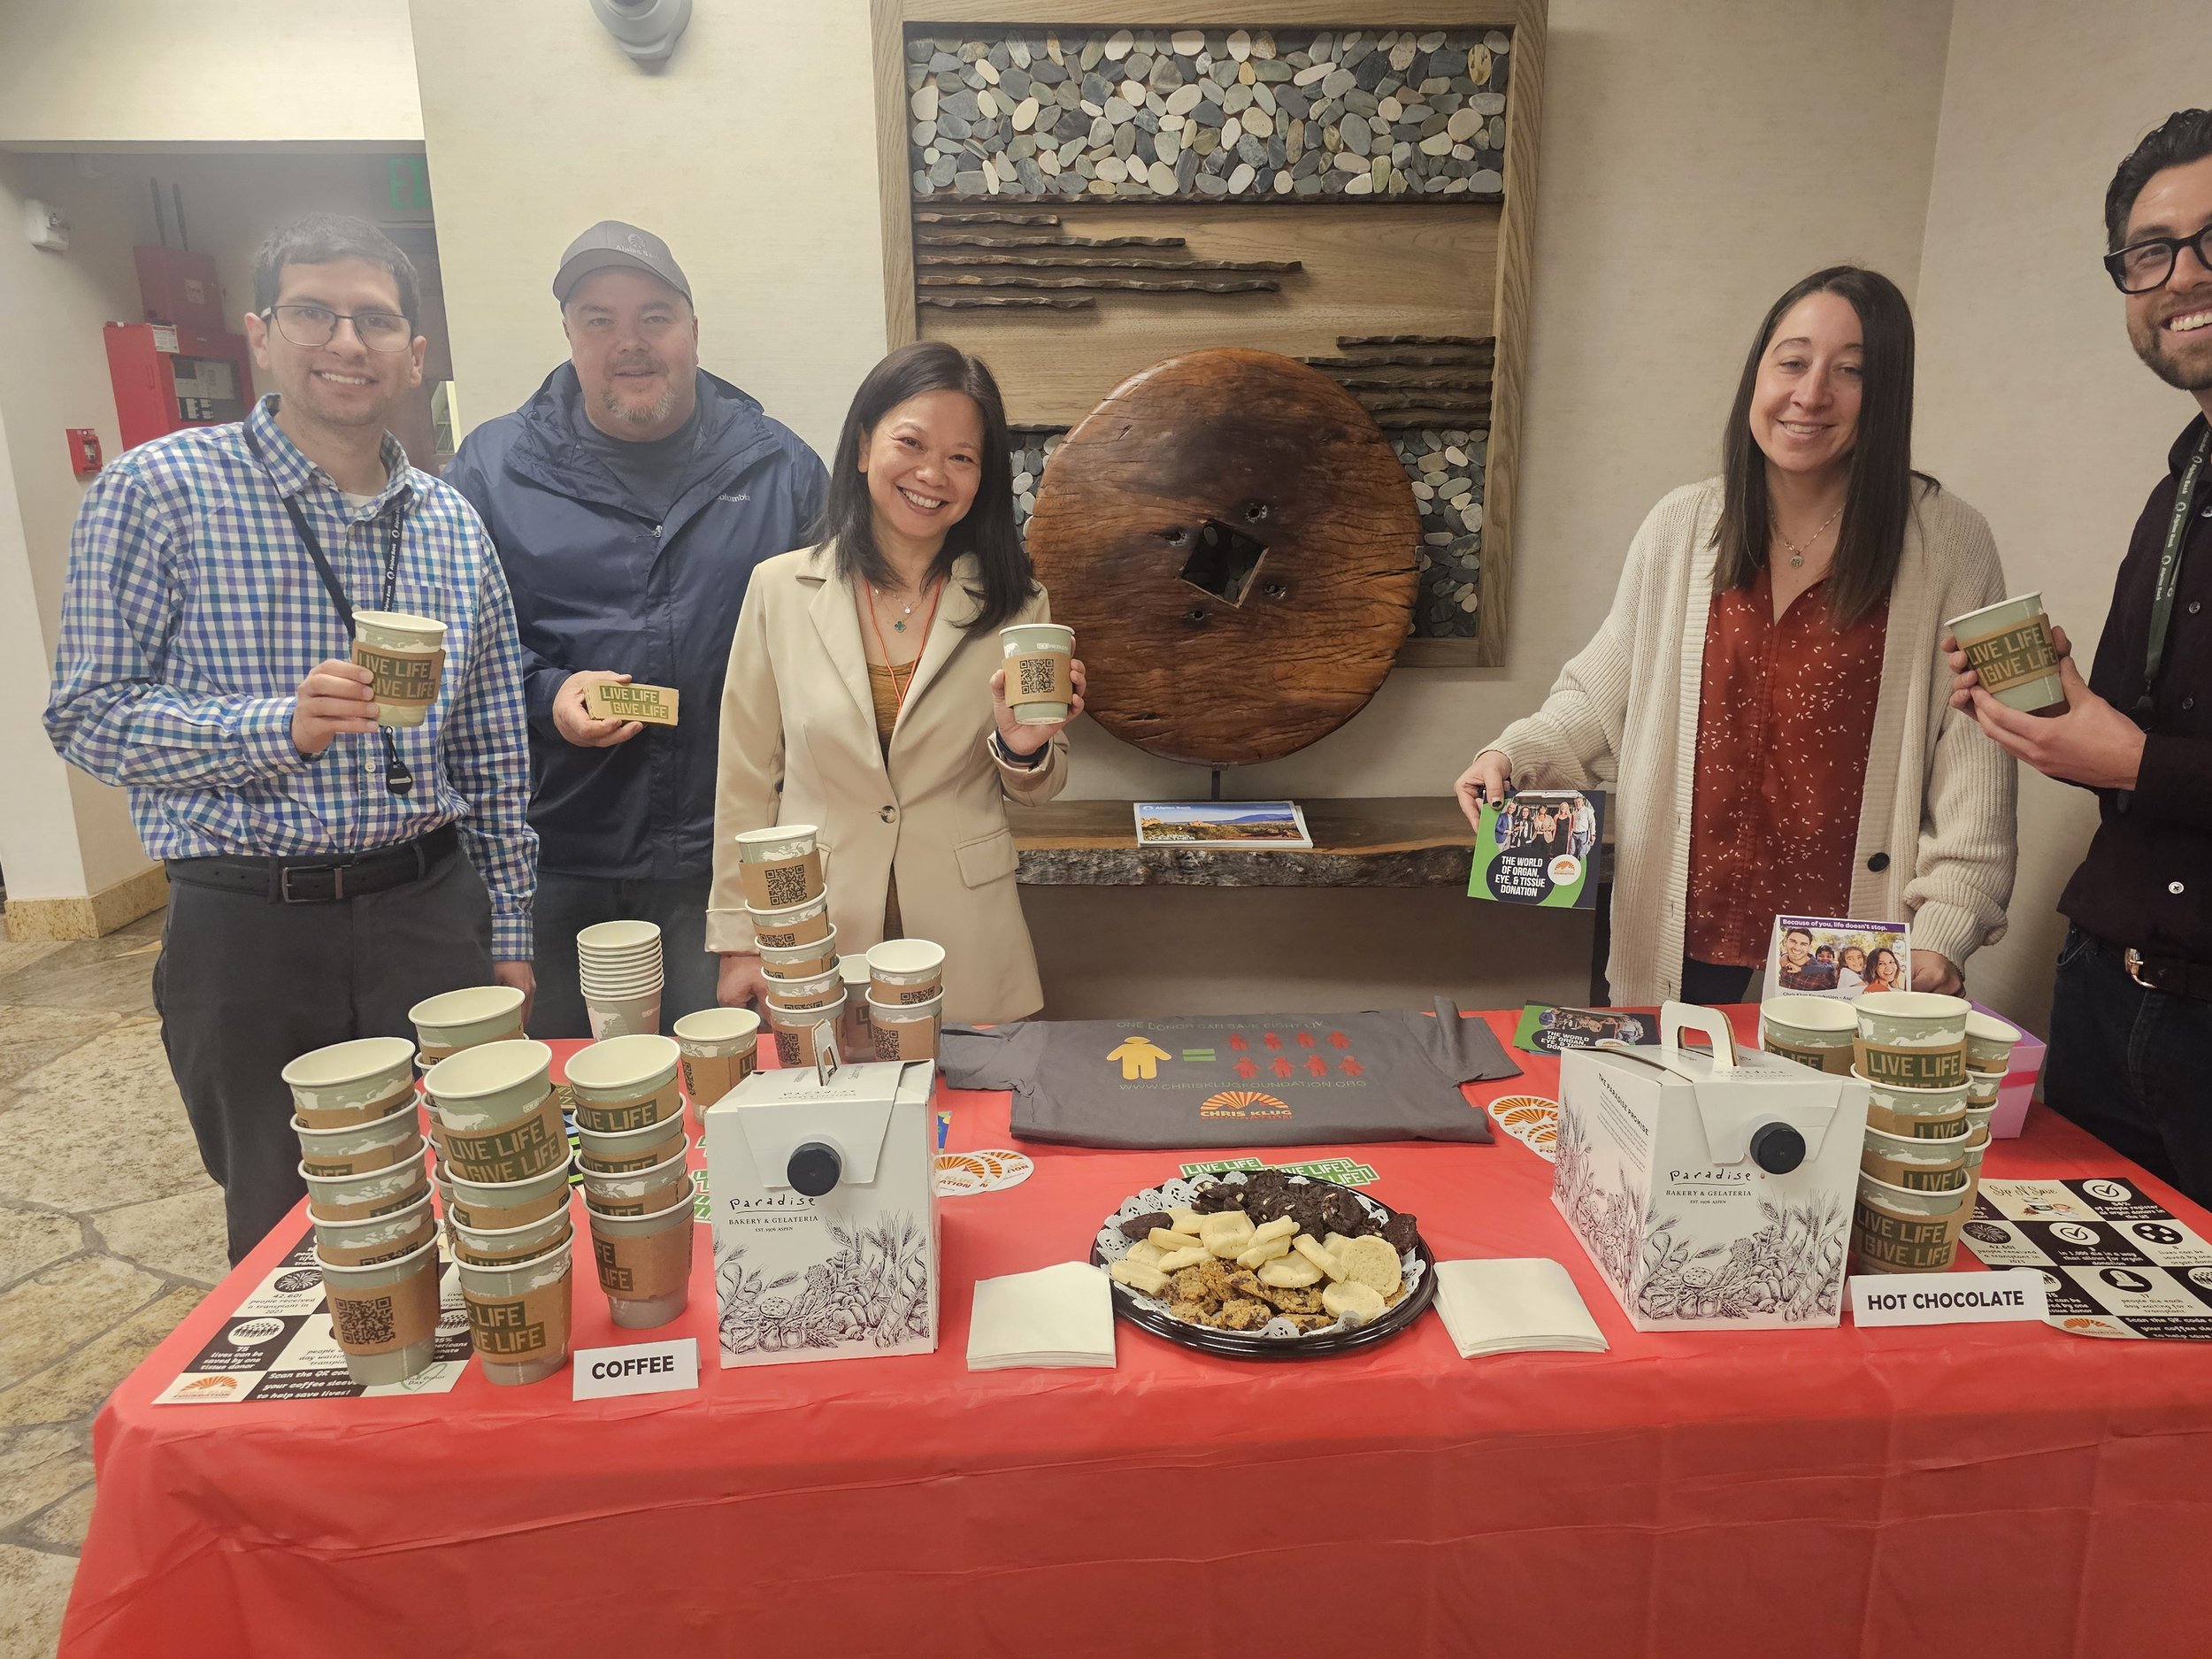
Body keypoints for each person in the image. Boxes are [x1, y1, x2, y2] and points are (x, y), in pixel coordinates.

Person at [44, 213, 537, 1263]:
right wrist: (277, 726)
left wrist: (509, 930)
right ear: (262, 332)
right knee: (283, 1226)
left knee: (468, 1197)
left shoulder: (449, 522)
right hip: (248, 929)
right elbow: (86, 716)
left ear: (415, 353)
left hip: (429, 907)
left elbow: (494, 753)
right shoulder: (158, 492)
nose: (346, 343)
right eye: (314, 312)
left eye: (374, 320)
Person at [1455, 265, 2017, 1006]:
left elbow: (1977, 764)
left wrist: (1944, 930)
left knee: (1809, 1123)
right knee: (1656, 1106)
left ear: (1887, 394)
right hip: (1681, 912)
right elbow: (1601, 697)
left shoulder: (1950, 543)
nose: (1810, 394)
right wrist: (1513, 754)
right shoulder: (1681, 527)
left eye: (1850, 371)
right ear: (1757, 373)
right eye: (1791, 361)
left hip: (1850, 947)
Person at [445, 222, 826, 1038]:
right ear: (569, 336)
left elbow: (829, 653)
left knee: (721, 1104)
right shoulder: (490, 468)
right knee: (568, 1106)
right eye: (599, 319)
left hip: (720, 868)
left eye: (654, 316)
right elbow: (452, 650)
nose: (630, 343)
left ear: (693, 329)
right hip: (549, 861)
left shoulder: (781, 470)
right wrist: (547, 696)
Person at [1946, 111, 2212, 1204]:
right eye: (2151, 250)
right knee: (2094, 1351)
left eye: (2210, 238)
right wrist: (2057, 721)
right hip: (2106, 992)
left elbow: (2147, 761)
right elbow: (2131, 739)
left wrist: (2133, 760)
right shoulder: (2178, 485)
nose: (2182, 274)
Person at [707, 342, 1085, 1022]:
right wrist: (738, 941)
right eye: (910, 442)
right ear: (862, 448)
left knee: (966, 1124)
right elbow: (745, 776)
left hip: (967, 932)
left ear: (982, 479)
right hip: (818, 929)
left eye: (961, 458)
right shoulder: (780, 590)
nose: (932, 473)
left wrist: (1023, 748)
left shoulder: (1019, 605)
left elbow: (1041, 788)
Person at [1778, 927, 1838, 992]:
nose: (1797, 947)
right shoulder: (1782, 961)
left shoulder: (1823, 975)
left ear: (1809, 947)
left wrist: (1801, 969)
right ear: (1785, 942)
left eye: (1803, 944)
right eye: (1793, 941)